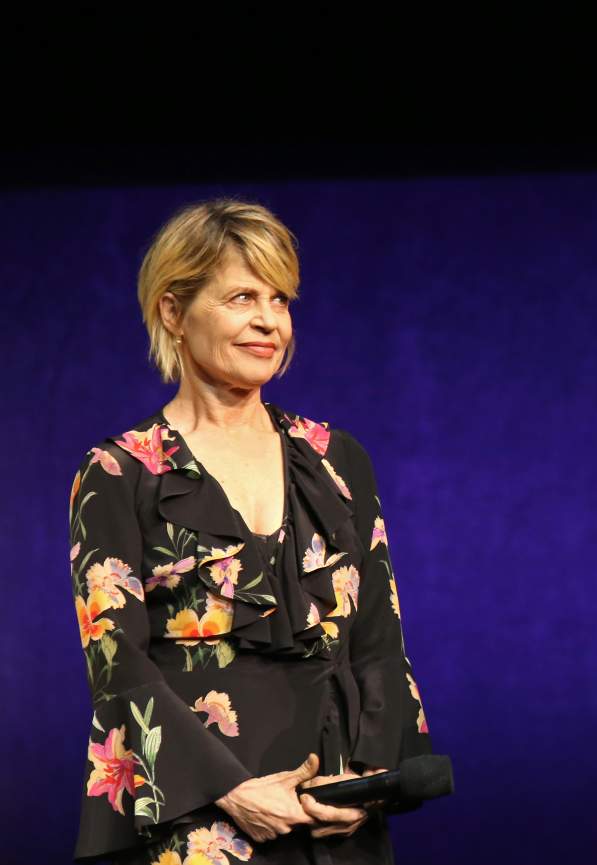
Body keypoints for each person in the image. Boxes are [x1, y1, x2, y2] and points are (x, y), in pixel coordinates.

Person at [69, 200, 431, 863]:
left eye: (280, 299)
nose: (269, 321)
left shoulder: (336, 460)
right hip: (190, 826)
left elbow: (379, 640)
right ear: (173, 312)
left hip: (334, 822)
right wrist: (234, 790)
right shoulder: (119, 472)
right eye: (242, 297)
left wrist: (370, 781)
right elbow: (117, 665)